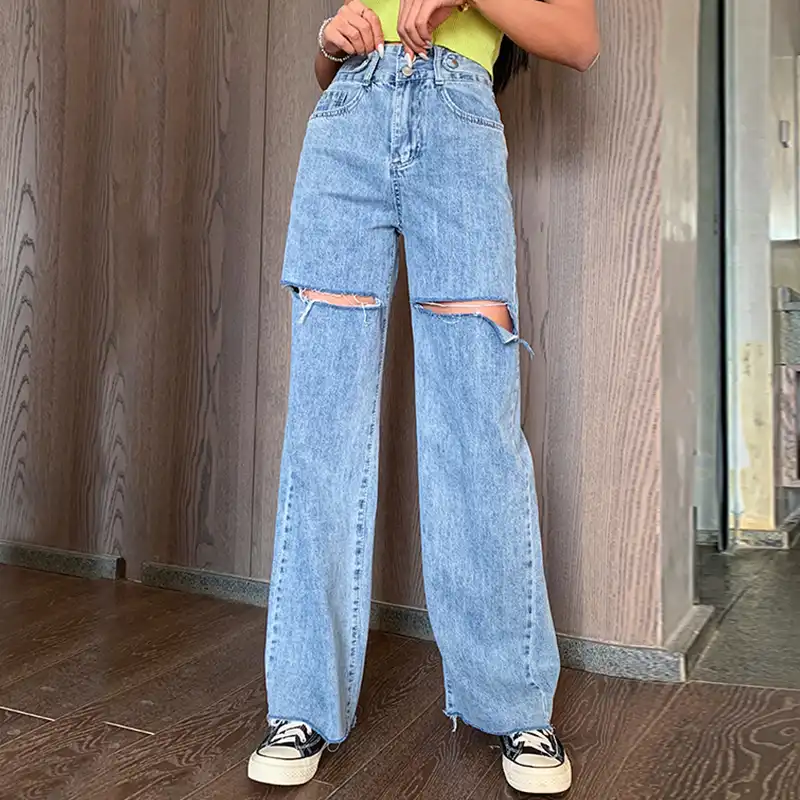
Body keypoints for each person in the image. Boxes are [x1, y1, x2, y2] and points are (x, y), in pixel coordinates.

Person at [248, 0, 599, 794]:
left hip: (457, 118)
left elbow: (580, 42)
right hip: (346, 122)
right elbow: (330, 61)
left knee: (477, 426)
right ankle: (301, 704)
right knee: (322, 427)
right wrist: (328, 42)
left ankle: (515, 706)